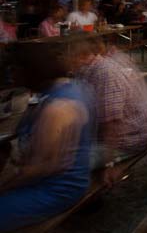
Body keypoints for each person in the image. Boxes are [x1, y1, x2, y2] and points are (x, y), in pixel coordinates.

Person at [0, 43, 94, 231]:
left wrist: (5, 185)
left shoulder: (57, 107)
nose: (11, 76)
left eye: (13, 70)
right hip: (61, 180)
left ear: (29, 70)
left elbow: (43, 168)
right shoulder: (67, 87)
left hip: (56, 190)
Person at [69, 38, 147, 176]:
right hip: (113, 135)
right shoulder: (86, 69)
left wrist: (110, 163)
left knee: (67, 167)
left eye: (68, 56)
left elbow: (113, 123)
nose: (65, 61)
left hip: (128, 141)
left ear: (83, 55)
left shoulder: (105, 73)